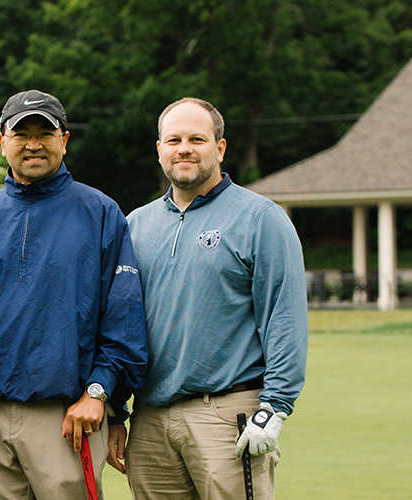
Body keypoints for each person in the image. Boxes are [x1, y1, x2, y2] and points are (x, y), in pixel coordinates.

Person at [0, 89, 148, 499]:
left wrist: (100, 392)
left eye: (46, 132)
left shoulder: (100, 213)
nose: (34, 143)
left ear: (65, 139)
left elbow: (123, 315)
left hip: (69, 416)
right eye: (21, 133)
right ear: (2, 141)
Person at [123, 97, 308, 500]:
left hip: (228, 414)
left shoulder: (261, 218)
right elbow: (120, 323)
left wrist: (275, 406)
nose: (184, 148)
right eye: (173, 139)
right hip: (150, 419)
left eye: (197, 139)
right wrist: (117, 410)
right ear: (159, 149)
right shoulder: (135, 225)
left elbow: (283, 318)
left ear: (219, 148)